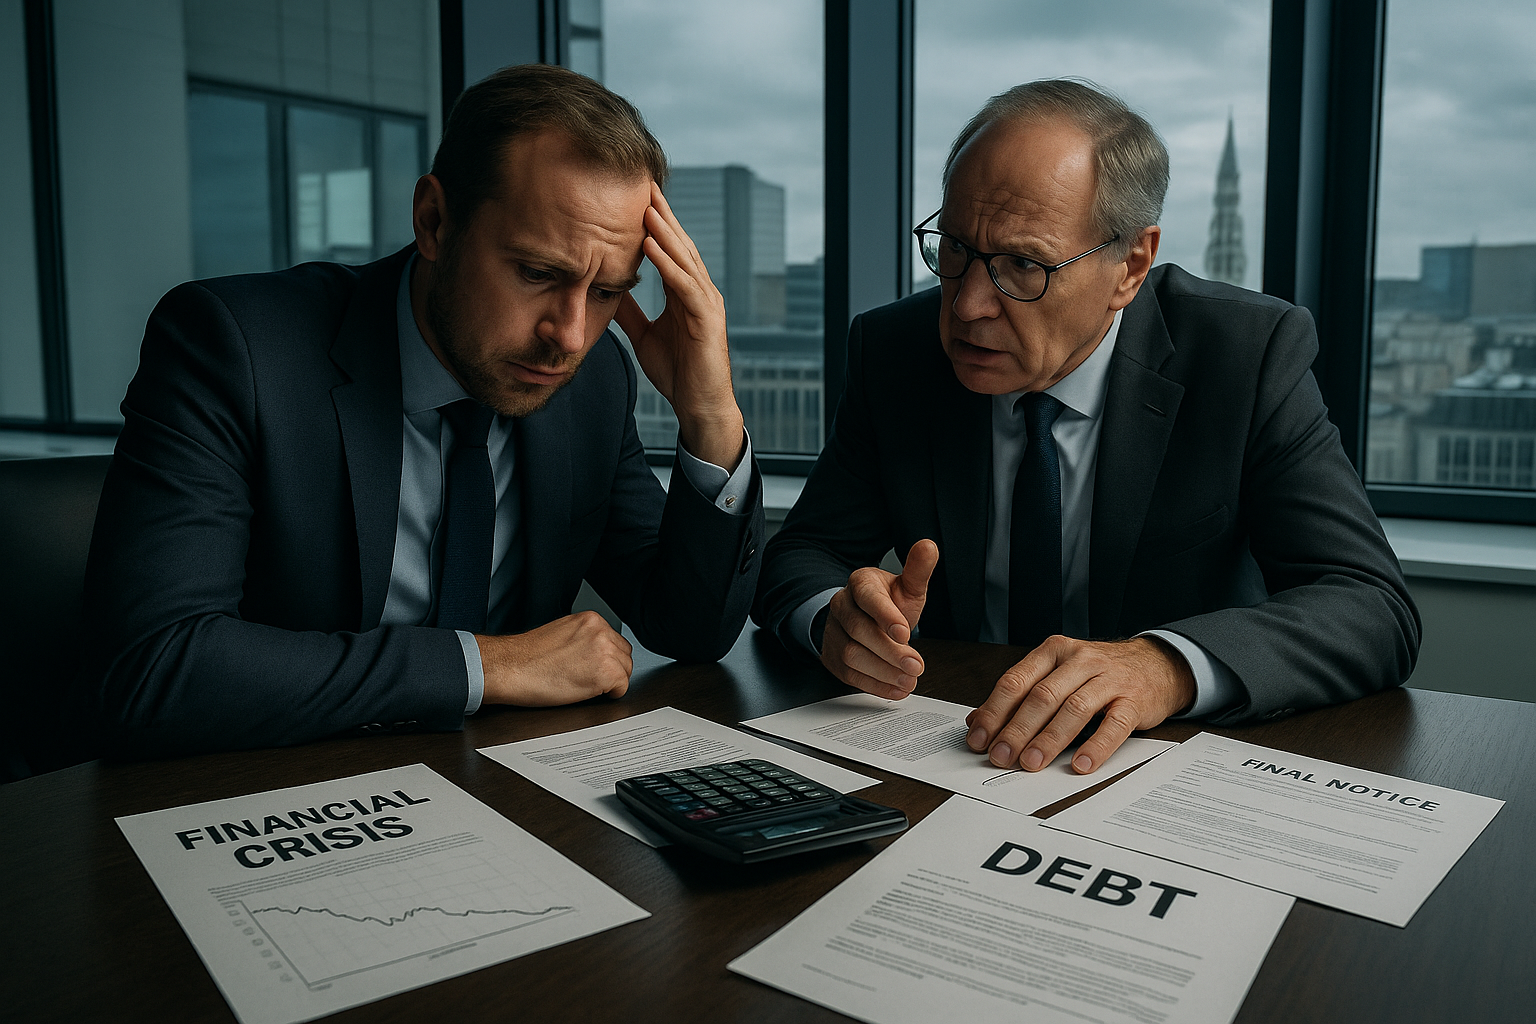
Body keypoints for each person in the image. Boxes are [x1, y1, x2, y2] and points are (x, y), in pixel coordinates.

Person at [86, 64, 764, 755]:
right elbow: (154, 668)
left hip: (496, 790)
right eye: (537, 273)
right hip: (269, 790)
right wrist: (485, 666)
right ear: (434, 221)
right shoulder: (234, 348)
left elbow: (690, 629)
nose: (570, 335)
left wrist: (709, 414)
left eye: (606, 293)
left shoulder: (594, 382)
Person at [754, 79, 1419, 776]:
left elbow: (1370, 607)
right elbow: (801, 555)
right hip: (954, 744)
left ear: (1130, 265)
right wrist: (835, 617)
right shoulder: (896, 351)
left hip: (1165, 765)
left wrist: (1163, 665)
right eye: (954, 248)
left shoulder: (1243, 355)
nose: (969, 304)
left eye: (1023, 265)